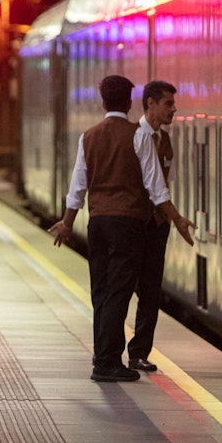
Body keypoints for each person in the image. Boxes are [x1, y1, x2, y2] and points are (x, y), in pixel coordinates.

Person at [48, 75, 195, 382]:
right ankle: (106, 362)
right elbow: (156, 188)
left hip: (97, 222)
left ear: (103, 102)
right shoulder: (137, 136)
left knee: (101, 292)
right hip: (128, 223)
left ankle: (105, 356)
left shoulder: (88, 135)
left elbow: (78, 186)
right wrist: (177, 218)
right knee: (118, 292)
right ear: (130, 103)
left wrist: (67, 222)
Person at [128, 80, 182, 372]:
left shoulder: (165, 139)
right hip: (136, 222)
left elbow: (163, 182)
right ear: (150, 104)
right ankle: (113, 351)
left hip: (156, 224)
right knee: (128, 287)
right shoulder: (137, 137)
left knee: (150, 291)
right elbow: (151, 184)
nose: (173, 109)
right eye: (168, 104)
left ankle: (138, 352)